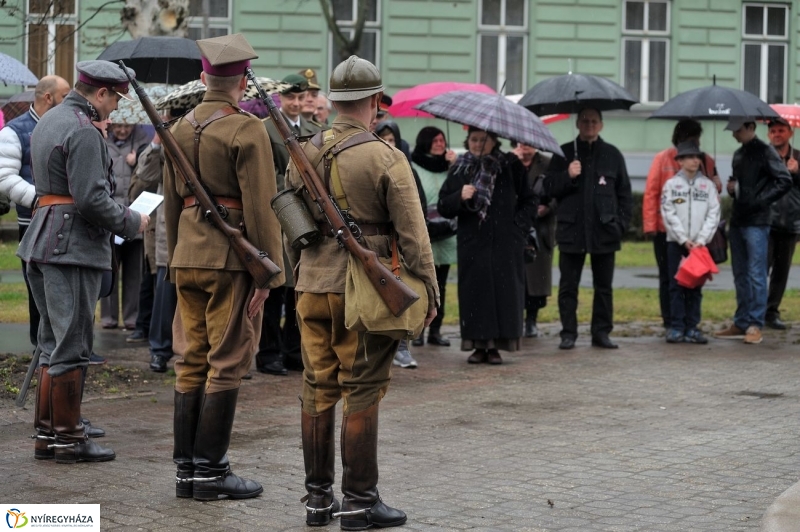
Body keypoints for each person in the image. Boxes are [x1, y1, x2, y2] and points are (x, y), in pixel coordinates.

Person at [284, 55, 438, 528]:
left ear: (334, 101)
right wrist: (430, 290)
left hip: (312, 285)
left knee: (317, 386)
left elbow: (292, 225)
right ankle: (359, 501)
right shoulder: (386, 156)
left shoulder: (302, 152)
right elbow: (414, 236)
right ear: (374, 101)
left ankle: (317, 500)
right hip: (364, 292)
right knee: (362, 389)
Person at [162, 33, 285, 500]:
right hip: (231, 260)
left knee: (189, 359)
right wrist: (267, 272)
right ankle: (211, 473)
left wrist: (176, 257)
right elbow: (262, 206)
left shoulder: (177, 128)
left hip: (187, 256)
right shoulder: (246, 128)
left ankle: (186, 472)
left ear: (203, 77)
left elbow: (171, 204)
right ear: (243, 84)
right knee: (228, 359)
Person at [17, 60, 149, 464]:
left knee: (51, 344)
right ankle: (69, 439)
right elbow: (91, 199)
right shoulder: (83, 129)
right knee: (72, 345)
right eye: (116, 99)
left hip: (43, 240)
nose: (116, 108)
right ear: (101, 93)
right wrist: (132, 221)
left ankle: (48, 436)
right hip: (70, 246)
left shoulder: (51, 118)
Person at [438, 128, 537, 365]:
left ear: (494, 142)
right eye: (473, 139)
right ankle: (477, 346)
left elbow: (529, 200)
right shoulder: (461, 168)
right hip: (473, 243)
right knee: (475, 294)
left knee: (503, 294)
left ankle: (497, 347)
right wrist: (459, 196)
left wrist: (518, 227)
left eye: (483, 140)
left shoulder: (510, 165)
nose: (477, 144)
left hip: (505, 243)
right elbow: (443, 206)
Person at [545, 107, 633, 350]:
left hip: (605, 232)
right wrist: (568, 175)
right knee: (568, 287)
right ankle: (568, 333)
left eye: (594, 121)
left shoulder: (612, 155)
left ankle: (601, 333)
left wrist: (620, 225)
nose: (589, 125)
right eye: (585, 121)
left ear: (601, 125)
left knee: (603, 288)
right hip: (571, 231)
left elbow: (625, 195)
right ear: (578, 124)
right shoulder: (563, 153)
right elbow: (548, 188)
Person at [257, 74, 324, 376]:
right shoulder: (266, 129)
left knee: (300, 287)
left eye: (300, 98)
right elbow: (267, 174)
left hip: (308, 217)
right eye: (290, 98)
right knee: (276, 289)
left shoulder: (315, 130)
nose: (295, 103)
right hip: (281, 216)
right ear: (280, 98)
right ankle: (269, 353)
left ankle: (293, 350)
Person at [0, 75, 71, 350]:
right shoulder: (14, 131)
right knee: (37, 290)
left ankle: (68, 349)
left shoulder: (69, 126)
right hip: (32, 221)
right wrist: (41, 201)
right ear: (48, 98)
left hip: (66, 221)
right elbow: (5, 177)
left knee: (67, 289)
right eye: (65, 96)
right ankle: (40, 350)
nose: (70, 101)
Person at [715, 117, 792, 344]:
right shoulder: (738, 154)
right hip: (738, 219)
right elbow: (739, 183)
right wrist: (732, 188)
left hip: (758, 221)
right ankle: (741, 321)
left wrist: (760, 201)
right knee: (740, 273)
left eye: (737, 130)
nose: (734, 134)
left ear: (750, 128)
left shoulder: (766, 152)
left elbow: (784, 180)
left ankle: (755, 324)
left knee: (756, 273)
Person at [643, 119, 720, 329]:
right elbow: (652, 192)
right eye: (691, 138)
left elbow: (712, 193)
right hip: (666, 230)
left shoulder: (706, 160)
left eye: (697, 139)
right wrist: (650, 225)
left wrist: (717, 184)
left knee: (695, 276)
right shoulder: (662, 158)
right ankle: (670, 320)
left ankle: (689, 321)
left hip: (697, 233)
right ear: (680, 138)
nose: (696, 143)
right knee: (669, 277)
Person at [128, 114, 182, 372]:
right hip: (168, 230)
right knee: (165, 291)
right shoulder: (161, 146)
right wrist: (157, 142)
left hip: (200, 227)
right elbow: (145, 178)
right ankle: (160, 350)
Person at [375, 120, 428, 369]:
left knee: (404, 292)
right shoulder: (371, 166)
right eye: (383, 139)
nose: (388, 144)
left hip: (401, 244)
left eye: (392, 140)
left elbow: (417, 208)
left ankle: (403, 346)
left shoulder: (406, 169)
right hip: (377, 243)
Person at [660, 141, 721, 344]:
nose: (695, 161)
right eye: (690, 157)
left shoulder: (708, 186)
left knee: (695, 287)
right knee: (676, 285)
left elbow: (714, 214)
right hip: (676, 244)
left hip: (700, 246)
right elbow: (668, 213)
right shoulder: (671, 185)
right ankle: (677, 327)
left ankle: (692, 327)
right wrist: (683, 239)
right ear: (680, 161)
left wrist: (701, 240)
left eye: (697, 157)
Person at [99, 122, 152, 331]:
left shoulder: (144, 144)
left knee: (134, 273)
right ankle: (108, 317)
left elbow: (149, 174)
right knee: (109, 269)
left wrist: (137, 161)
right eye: (119, 126)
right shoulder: (101, 141)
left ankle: (132, 317)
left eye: (127, 127)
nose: (122, 130)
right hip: (111, 218)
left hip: (136, 216)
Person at [409, 126, 457, 347]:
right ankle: (419, 330)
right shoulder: (414, 166)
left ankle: (436, 331)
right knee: (422, 284)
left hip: (446, 233)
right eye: (435, 140)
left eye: (442, 140)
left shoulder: (450, 167)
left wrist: (454, 166)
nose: (440, 144)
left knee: (441, 286)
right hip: (424, 232)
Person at [512, 141, 553, 338]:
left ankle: (532, 320)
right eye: (522, 142)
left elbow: (557, 191)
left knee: (536, 279)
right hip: (516, 227)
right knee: (515, 277)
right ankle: (515, 319)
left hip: (540, 229)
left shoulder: (548, 164)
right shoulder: (509, 161)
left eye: (529, 143)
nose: (525, 146)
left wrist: (548, 207)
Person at [765, 117, 800, 330]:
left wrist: (797, 173)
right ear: (768, 135)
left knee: (781, 272)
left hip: (791, 223)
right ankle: (755, 311)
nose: (777, 134)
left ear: (790, 133)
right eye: (773, 131)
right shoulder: (763, 156)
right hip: (767, 222)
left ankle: (772, 312)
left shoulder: (798, 157)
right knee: (761, 270)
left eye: (781, 130)